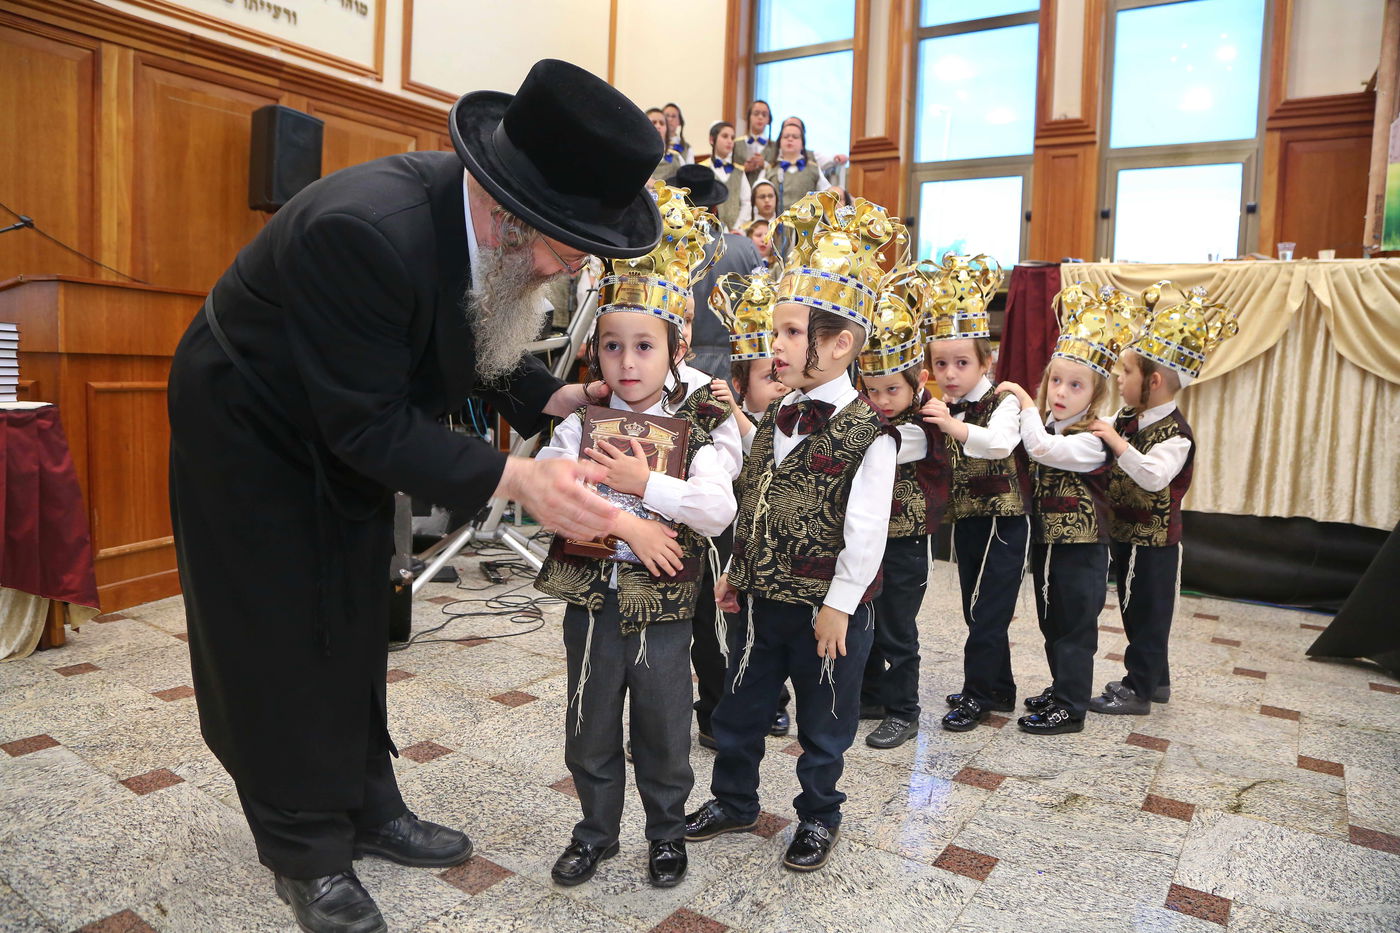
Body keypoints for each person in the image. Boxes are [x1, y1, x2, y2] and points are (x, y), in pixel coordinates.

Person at [166, 60, 662, 933]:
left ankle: (368, 804)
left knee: (355, 607)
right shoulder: (365, 232)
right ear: (512, 213)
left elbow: (475, 339)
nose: (575, 263)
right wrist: (517, 479)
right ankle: (305, 852)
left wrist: (559, 399)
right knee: (279, 633)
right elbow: (366, 425)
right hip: (250, 429)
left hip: (343, 422)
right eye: (569, 242)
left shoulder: (481, 233)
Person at [686, 191, 898, 873]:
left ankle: (817, 816)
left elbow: (865, 532)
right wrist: (735, 568)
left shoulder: (874, 434)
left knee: (824, 720)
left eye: (789, 333)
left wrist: (839, 603)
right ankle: (735, 798)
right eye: (773, 332)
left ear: (838, 345)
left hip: (825, 613)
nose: (772, 346)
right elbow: (757, 497)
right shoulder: (779, 415)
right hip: (761, 598)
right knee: (741, 706)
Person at [534, 184, 735, 889]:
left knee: (662, 723)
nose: (627, 362)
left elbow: (713, 509)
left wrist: (642, 484)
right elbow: (551, 491)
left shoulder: (704, 421)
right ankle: (595, 831)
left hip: (665, 604)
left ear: (675, 349)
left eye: (645, 345)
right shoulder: (577, 423)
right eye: (612, 345)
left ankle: (666, 832)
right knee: (588, 722)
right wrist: (621, 520)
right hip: (591, 601)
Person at [1089, 284, 1238, 715]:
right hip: (1124, 532)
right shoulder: (1127, 417)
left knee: (1148, 616)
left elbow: (1154, 477)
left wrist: (1116, 442)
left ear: (1153, 381)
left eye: (1126, 372)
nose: (1118, 378)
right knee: (1135, 610)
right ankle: (1158, 681)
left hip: (1154, 544)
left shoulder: (1176, 434)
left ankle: (1138, 690)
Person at [995, 284, 1138, 734]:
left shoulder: (1091, 438)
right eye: (1055, 381)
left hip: (1082, 550)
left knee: (1075, 627)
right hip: (1049, 544)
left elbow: (1040, 448)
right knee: (1050, 620)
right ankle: (1062, 688)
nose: (1060, 392)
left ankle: (1072, 706)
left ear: (1094, 396)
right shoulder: (1056, 424)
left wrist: (1022, 399)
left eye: (1075, 385)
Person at [919, 253, 1031, 733]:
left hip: (1004, 523)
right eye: (941, 363)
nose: (949, 373)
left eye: (962, 362)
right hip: (968, 521)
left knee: (987, 610)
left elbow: (1001, 442)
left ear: (987, 361)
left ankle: (979, 694)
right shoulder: (948, 405)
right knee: (975, 605)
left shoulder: (1003, 400)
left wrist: (952, 426)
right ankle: (999, 685)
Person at [856, 269, 949, 749]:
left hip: (906, 542)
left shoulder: (922, 426)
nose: (880, 401)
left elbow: (882, 446)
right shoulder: (872, 415)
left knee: (897, 628)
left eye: (892, 389)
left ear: (919, 381)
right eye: (871, 391)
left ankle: (903, 709)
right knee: (864, 617)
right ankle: (869, 697)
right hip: (869, 539)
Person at [704, 272, 793, 742]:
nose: (778, 384)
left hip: (775, 548)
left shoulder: (790, 422)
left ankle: (774, 704)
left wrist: (736, 414)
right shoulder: (728, 415)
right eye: (766, 376)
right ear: (740, 383)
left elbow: (764, 448)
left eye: (782, 374)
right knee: (728, 632)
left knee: (771, 630)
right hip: (731, 544)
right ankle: (721, 703)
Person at [672, 164, 763, 382]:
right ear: (715, 208)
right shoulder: (745, 248)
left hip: (679, 360)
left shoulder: (669, 252)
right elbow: (762, 311)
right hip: (735, 366)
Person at [698, 120, 751, 231]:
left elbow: (746, 202)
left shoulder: (739, 171)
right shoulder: (701, 169)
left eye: (732, 138)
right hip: (708, 232)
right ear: (712, 139)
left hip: (735, 232)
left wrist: (737, 228)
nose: (729, 141)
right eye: (725, 136)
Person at [764, 121, 829, 212]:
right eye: (786, 137)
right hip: (778, 223)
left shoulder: (814, 169)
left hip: (807, 224)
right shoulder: (769, 170)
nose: (790, 139)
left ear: (802, 144)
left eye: (795, 137)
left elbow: (827, 195)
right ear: (779, 142)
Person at [734, 99, 774, 182]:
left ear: (769, 120)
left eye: (764, 115)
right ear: (749, 117)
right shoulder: (735, 144)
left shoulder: (776, 146)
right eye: (756, 114)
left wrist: (764, 164)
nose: (760, 117)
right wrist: (743, 168)